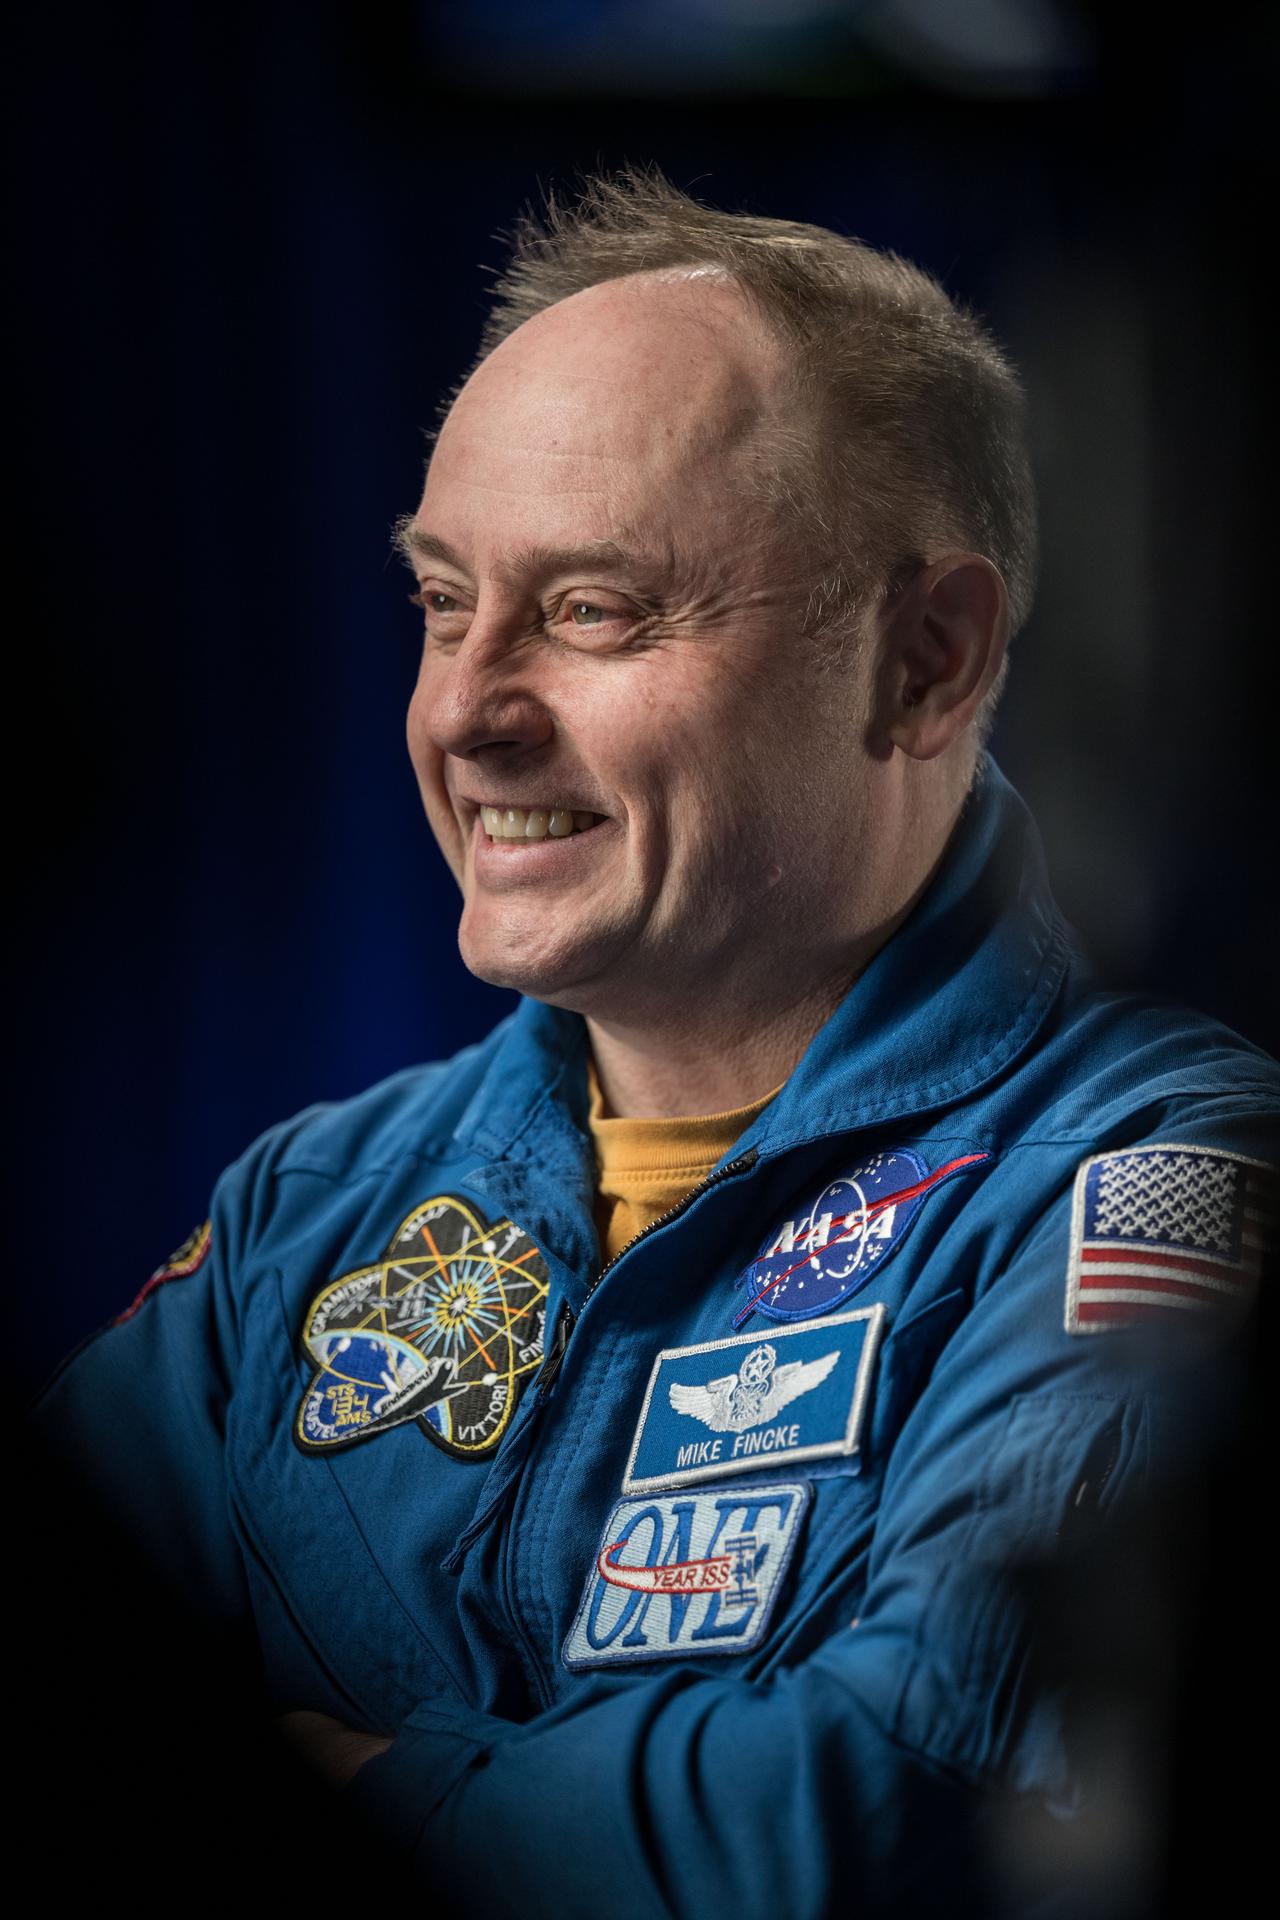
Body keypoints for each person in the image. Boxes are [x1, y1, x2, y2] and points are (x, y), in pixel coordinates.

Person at [32, 170, 1277, 1915]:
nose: (465, 713)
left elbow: (893, 1803)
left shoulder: (1156, 1178)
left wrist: (383, 1787)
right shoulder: (301, 1216)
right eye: (441, 602)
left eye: (592, 611)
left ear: (926, 662)